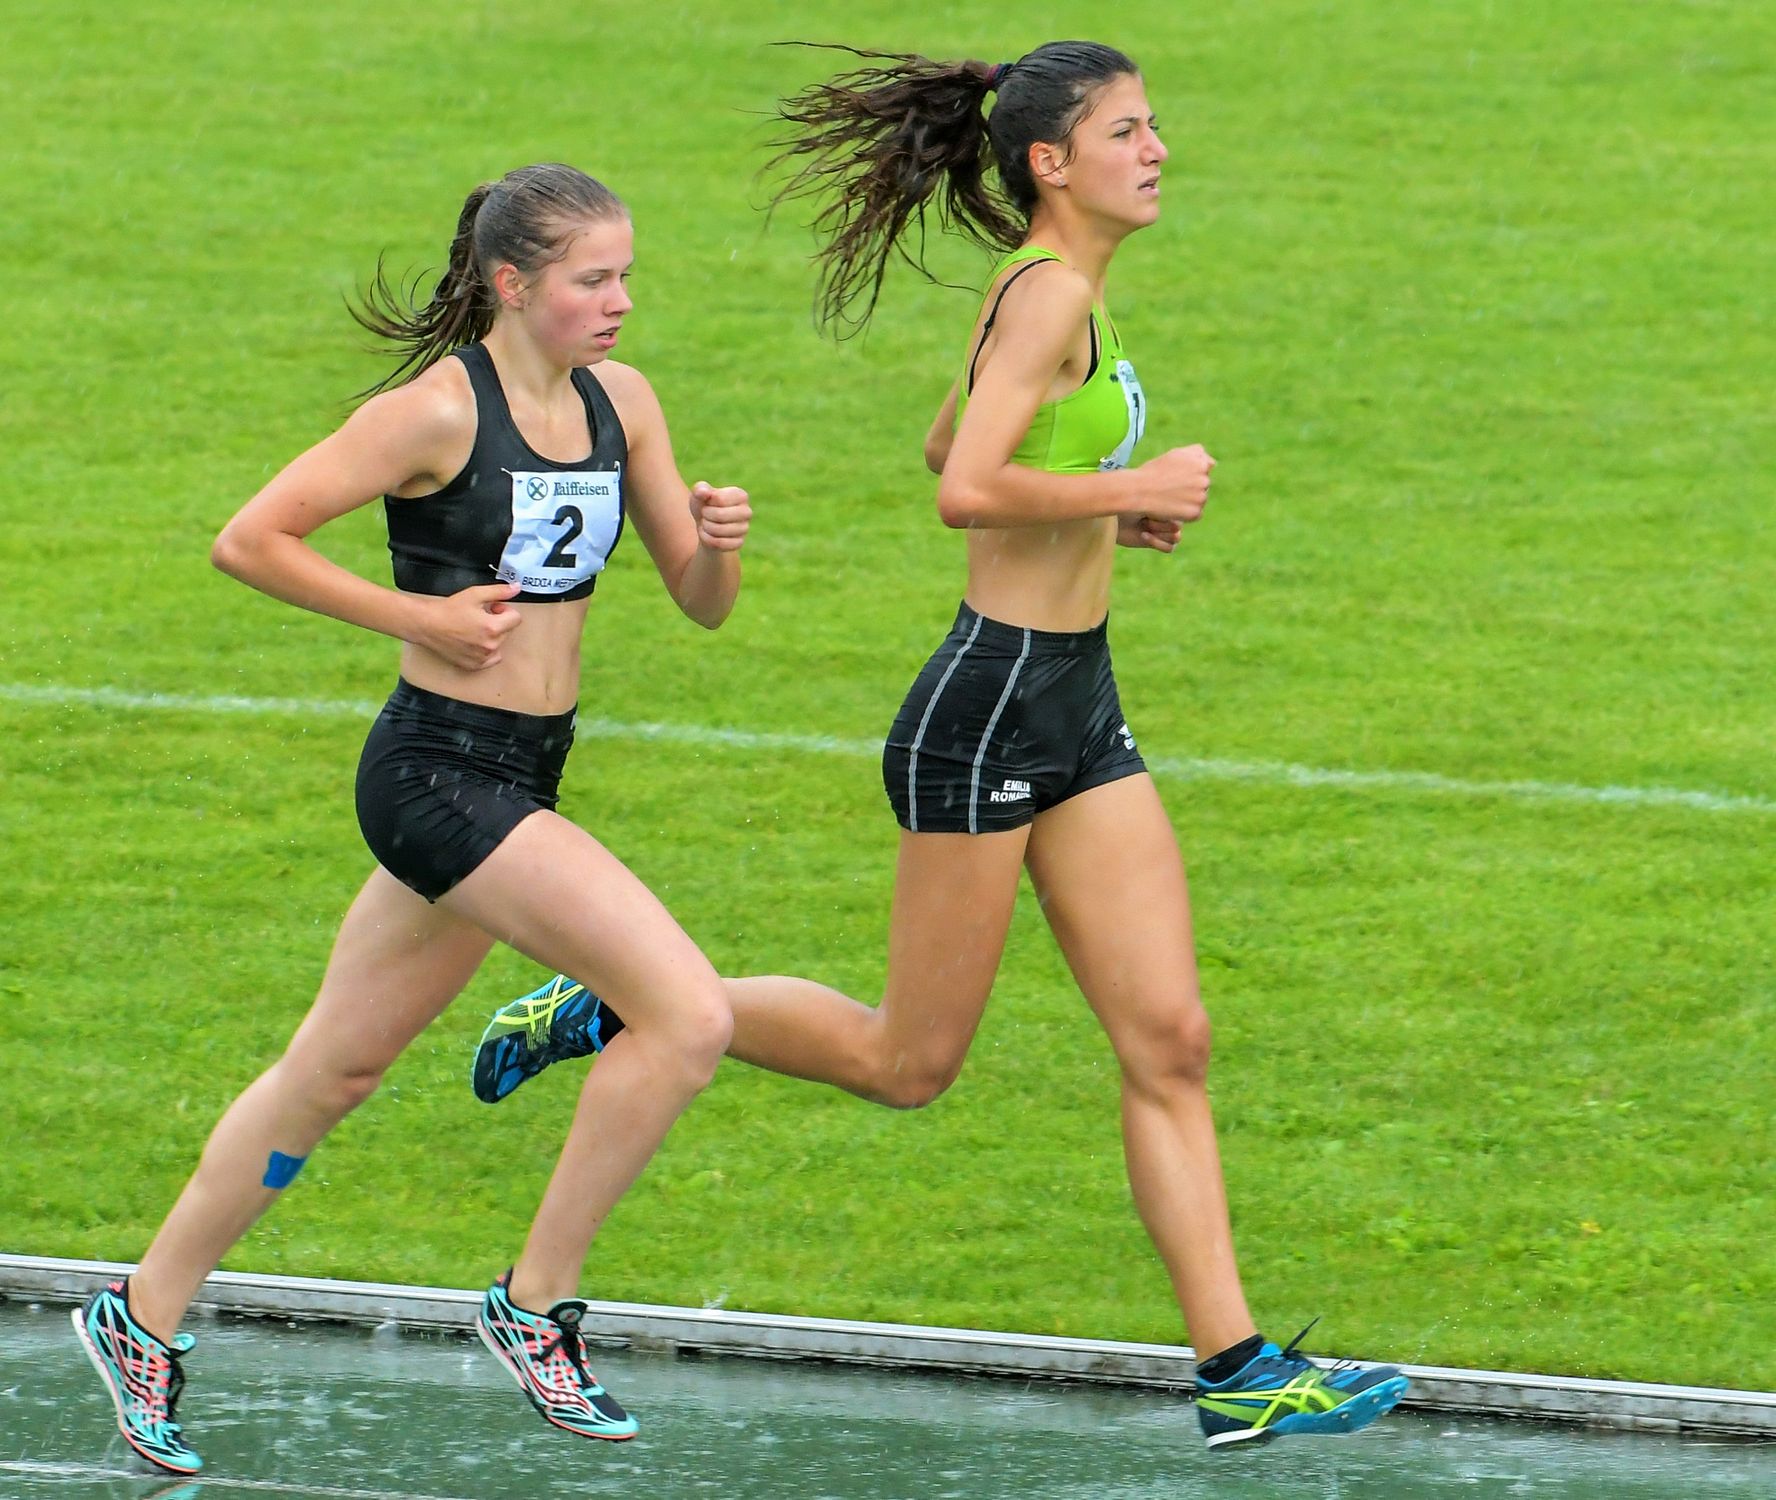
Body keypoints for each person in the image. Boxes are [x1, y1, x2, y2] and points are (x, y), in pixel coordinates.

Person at [474, 44, 1409, 1451]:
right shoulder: (1050, 292)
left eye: (1152, 126)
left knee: (1172, 1038)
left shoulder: (1053, 289)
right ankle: (623, 1001)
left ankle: (1237, 1373)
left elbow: (944, 439)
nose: (1157, 149)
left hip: (1078, 699)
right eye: (1127, 131)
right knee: (908, 1063)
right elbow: (965, 488)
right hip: (989, 714)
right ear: (1053, 162)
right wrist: (1131, 483)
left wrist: (1103, 507)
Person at [70, 162, 753, 1475]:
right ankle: (534, 1305)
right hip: (439, 775)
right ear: (513, 284)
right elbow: (251, 539)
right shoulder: (436, 411)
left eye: (625, 276)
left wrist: (717, 542)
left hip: (525, 771)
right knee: (688, 1016)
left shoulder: (624, 403)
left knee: (333, 1073)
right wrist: (419, 617)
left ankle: (138, 1316)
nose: (620, 301)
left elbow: (699, 601)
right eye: (592, 280)